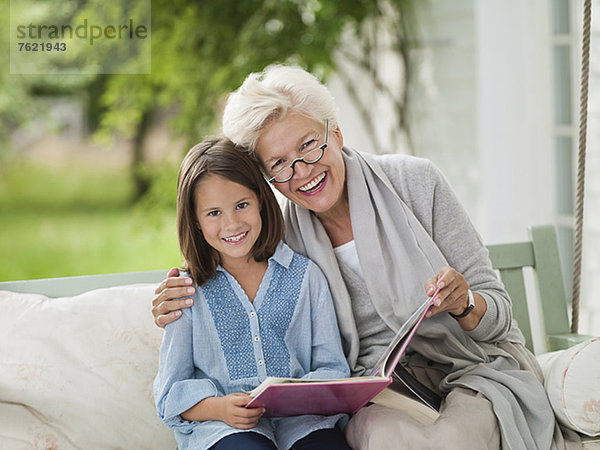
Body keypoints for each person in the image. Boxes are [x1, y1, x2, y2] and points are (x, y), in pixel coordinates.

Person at [152, 66, 581, 449]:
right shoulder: (285, 243)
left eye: (309, 146)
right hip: (379, 389)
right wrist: (177, 290)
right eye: (280, 164)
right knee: (380, 438)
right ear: (268, 180)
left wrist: (465, 302)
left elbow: (498, 317)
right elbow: (228, 247)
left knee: (455, 438)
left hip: (470, 366)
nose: (302, 171)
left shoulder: (416, 183)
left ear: (335, 133)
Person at [153, 137, 352, 450]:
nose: (232, 224)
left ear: (261, 199)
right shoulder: (185, 291)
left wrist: (299, 394)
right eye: (213, 213)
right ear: (194, 219)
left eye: (241, 205)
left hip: (303, 422)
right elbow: (170, 393)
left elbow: (333, 367)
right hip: (222, 429)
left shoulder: (306, 277)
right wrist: (218, 408)